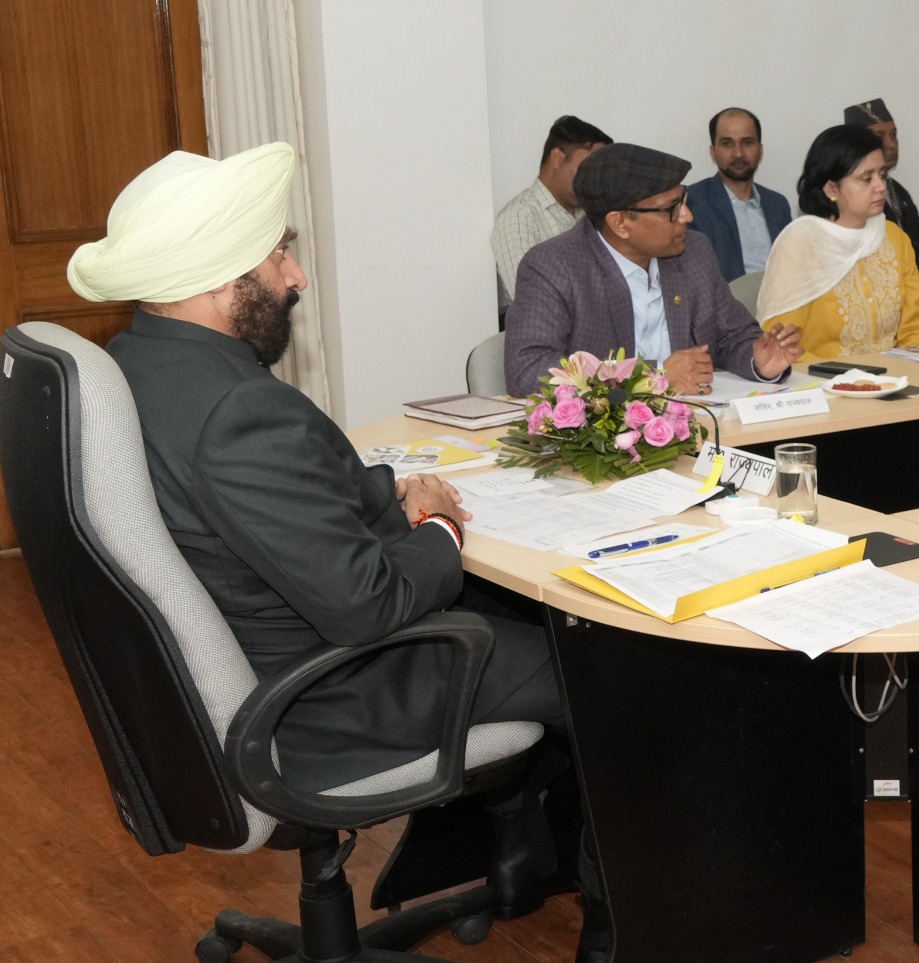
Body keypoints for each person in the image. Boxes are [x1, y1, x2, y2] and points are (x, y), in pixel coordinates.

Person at [70, 143, 609, 959]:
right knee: (605, 670)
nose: (295, 277)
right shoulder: (239, 409)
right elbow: (371, 605)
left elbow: (274, 498)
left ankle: (514, 845)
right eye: (278, 255)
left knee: (506, 605)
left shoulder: (141, 363)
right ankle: (615, 924)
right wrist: (440, 527)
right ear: (218, 278)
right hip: (330, 697)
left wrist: (389, 489)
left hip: (248, 661)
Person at [504, 144, 801, 394]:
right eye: (671, 208)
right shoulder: (553, 267)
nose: (687, 216)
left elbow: (730, 334)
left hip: (698, 421)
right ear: (620, 223)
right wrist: (654, 376)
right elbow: (528, 369)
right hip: (608, 438)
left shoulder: (693, 252)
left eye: (684, 199)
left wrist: (757, 359)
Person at [754, 125, 919, 362]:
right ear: (832, 189)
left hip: (896, 377)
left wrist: (901, 373)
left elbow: (916, 328)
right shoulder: (800, 245)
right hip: (820, 378)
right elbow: (784, 346)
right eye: (866, 179)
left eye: (882, 175)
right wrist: (849, 378)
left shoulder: (893, 237)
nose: (881, 187)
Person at [493, 115, 610, 298]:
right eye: (589, 167)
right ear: (557, 158)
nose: (596, 178)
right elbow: (530, 299)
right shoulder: (520, 216)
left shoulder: (594, 211)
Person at [683, 107, 793, 281]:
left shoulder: (777, 204)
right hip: (726, 297)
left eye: (747, 142)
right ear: (713, 151)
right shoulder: (693, 203)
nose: (738, 153)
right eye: (727, 143)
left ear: (760, 149)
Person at [847, 98, 919, 272]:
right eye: (879, 137)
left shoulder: (897, 190)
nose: (891, 144)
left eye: (893, 135)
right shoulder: (851, 199)